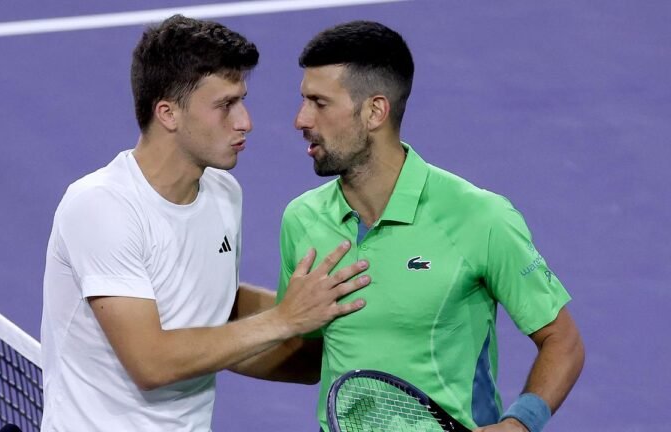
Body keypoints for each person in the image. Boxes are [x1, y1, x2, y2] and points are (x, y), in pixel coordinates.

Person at [40, 15, 370, 431]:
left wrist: (345, 331)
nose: (245, 121)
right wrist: (284, 319)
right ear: (168, 113)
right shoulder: (102, 206)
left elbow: (215, 315)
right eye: (225, 105)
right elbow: (151, 363)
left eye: (242, 100)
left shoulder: (223, 194)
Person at [275, 21, 585, 432]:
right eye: (303, 101)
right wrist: (201, 345)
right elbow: (304, 349)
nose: (300, 119)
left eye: (319, 103)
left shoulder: (480, 217)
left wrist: (519, 424)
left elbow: (563, 341)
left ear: (374, 111)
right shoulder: (301, 219)